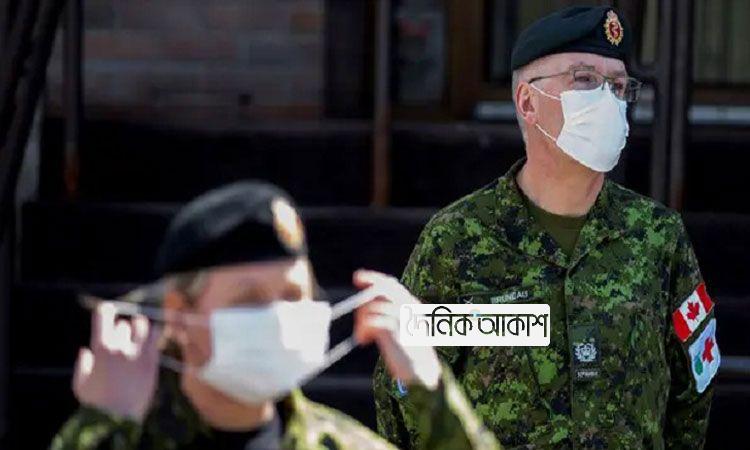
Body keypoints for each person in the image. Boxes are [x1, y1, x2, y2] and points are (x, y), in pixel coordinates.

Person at [373, 6, 718, 449]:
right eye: (585, 79)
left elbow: (693, 392)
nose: (608, 100)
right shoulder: (459, 240)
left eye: (618, 86)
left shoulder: (657, 237)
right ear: (527, 102)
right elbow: (404, 397)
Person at [50, 181, 500, 450]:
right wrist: (103, 423)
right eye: (250, 300)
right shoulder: (125, 439)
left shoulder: (339, 444)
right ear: (180, 316)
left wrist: (428, 388)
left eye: (294, 295)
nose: (281, 317)